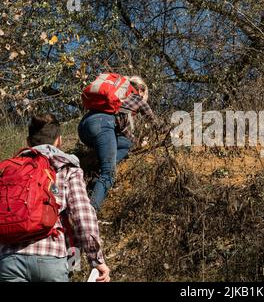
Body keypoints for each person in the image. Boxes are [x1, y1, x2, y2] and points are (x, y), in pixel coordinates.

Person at [0, 114, 110, 282]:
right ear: (59, 140)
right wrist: (96, 260)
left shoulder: (10, 168)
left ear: (28, 142)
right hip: (51, 257)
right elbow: (83, 215)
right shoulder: (66, 168)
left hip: (9, 259)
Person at [78, 75, 159, 211]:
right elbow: (157, 124)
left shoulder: (119, 99)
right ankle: (90, 213)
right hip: (103, 125)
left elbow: (125, 135)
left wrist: (136, 143)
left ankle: (95, 176)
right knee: (109, 172)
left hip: (84, 127)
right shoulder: (136, 97)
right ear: (142, 90)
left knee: (124, 144)